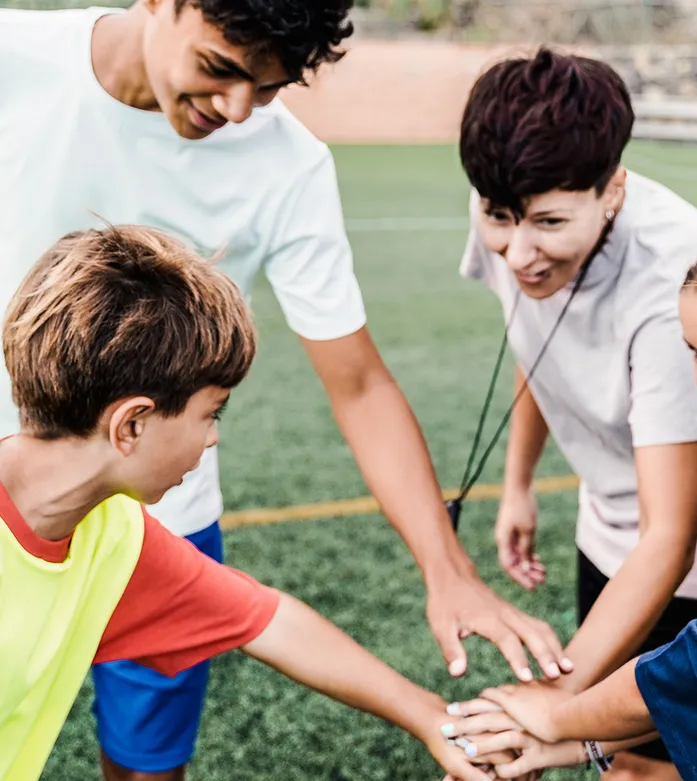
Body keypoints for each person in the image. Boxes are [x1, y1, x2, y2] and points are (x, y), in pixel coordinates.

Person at [0, 4, 569, 779]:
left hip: (151, 512)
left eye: (268, 89)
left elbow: (359, 387)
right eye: (220, 68)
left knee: (144, 761)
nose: (239, 110)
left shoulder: (126, 542)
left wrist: (447, 578)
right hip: (40, 497)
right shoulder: (16, 59)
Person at [0, 224, 511, 781]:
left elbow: (266, 620)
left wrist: (436, 719)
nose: (212, 438)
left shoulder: (111, 534)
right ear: (132, 425)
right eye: (210, 413)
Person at [457, 48, 697, 779]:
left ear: (612, 189)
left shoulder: (675, 286)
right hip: (614, 530)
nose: (517, 253)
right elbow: (539, 337)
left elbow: (672, 539)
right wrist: (518, 482)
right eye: (498, 218)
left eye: (548, 222)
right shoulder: (513, 199)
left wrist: (555, 705)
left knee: (685, 758)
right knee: (622, 758)